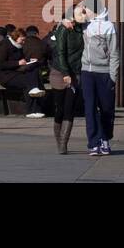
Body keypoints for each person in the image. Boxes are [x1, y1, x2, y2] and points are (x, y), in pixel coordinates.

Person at [80, 0, 119, 156]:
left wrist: (113, 77)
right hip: (87, 72)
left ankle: (105, 139)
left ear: (93, 9)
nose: (84, 12)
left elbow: (115, 53)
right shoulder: (84, 24)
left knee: (107, 108)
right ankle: (93, 142)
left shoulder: (109, 26)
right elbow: (69, 15)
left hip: (104, 73)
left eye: (86, 9)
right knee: (90, 109)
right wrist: (79, 8)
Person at [50, 8, 84, 154]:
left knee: (69, 109)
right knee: (60, 109)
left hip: (76, 72)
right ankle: (58, 141)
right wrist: (65, 73)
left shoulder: (80, 29)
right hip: (60, 72)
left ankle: (63, 144)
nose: (84, 15)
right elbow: (61, 53)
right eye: (80, 13)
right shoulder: (63, 29)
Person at [17, 24, 48, 117]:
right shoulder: (43, 43)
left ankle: (30, 110)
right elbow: (47, 58)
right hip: (40, 72)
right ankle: (37, 109)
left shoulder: (23, 43)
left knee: (31, 84)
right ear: (37, 33)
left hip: (24, 70)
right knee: (35, 84)